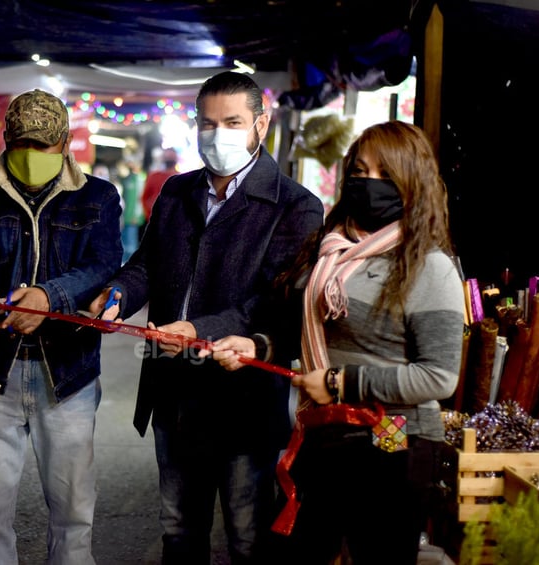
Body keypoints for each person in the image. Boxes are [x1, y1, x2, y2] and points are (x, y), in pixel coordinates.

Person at [89, 71, 324, 564]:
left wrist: (200, 330)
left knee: (248, 535)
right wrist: (116, 294)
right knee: (178, 530)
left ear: (261, 124)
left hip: (243, 401)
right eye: (207, 123)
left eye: (232, 122)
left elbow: (275, 301)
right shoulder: (177, 193)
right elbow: (146, 266)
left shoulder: (296, 208)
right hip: (173, 396)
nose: (217, 135)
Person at [206, 121, 465, 564]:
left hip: (394, 433)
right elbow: (311, 330)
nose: (369, 184)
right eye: (361, 171)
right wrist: (259, 347)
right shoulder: (329, 248)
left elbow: (437, 376)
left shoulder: (429, 266)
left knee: (377, 550)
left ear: (412, 182)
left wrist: (340, 382)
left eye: (386, 174)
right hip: (325, 429)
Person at [0, 89, 123, 565]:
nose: (34, 156)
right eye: (24, 144)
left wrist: (49, 297)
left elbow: (103, 264)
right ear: (5, 139)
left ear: (64, 143)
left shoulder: (98, 197)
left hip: (68, 374)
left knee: (73, 513)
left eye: (44, 145)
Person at [140, 147, 179, 236]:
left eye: (171, 157)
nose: (169, 159)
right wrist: (150, 217)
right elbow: (144, 198)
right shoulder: (154, 176)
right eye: (167, 157)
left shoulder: (183, 179)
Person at [119, 157, 146, 263]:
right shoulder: (126, 180)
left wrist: (137, 216)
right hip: (124, 218)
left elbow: (140, 199)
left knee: (131, 246)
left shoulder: (140, 180)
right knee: (124, 245)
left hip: (132, 218)